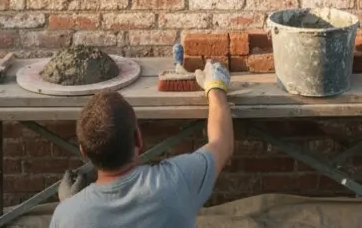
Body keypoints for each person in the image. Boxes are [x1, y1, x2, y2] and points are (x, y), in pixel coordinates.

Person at [50, 61, 233, 228]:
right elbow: (222, 143)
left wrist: (70, 205)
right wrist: (216, 88)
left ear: (83, 152)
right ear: (138, 138)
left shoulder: (65, 217)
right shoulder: (176, 181)